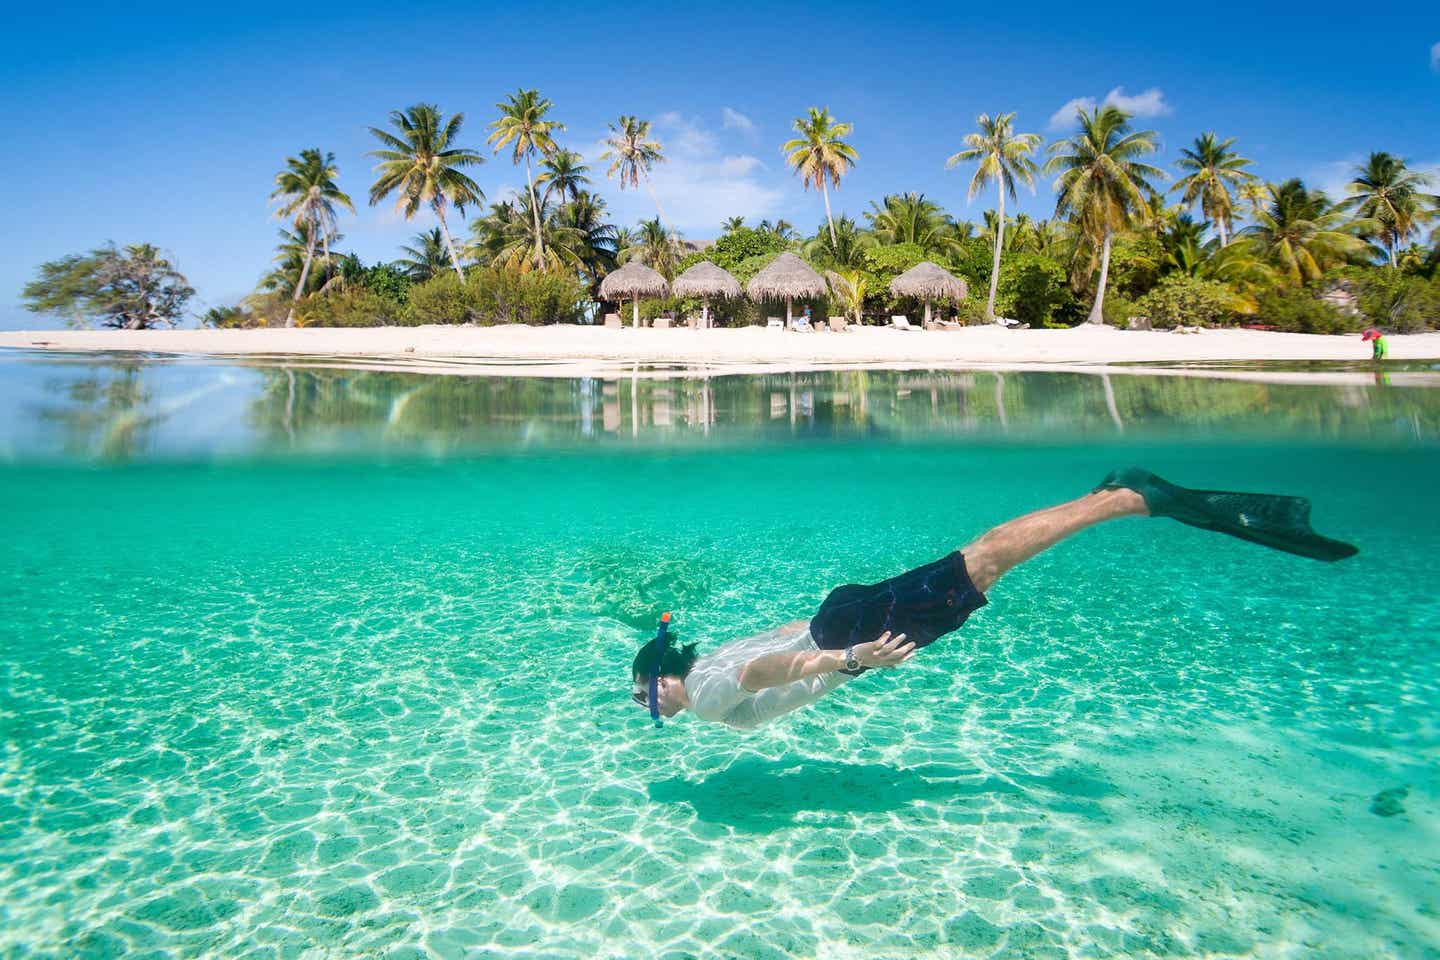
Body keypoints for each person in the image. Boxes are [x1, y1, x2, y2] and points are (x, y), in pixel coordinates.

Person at [630, 468, 1357, 730]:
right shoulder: (705, 662)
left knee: (980, 564)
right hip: (834, 616)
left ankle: (1132, 497)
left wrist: (851, 659)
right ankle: (1111, 495)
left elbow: (767, 672)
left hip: (846, 634)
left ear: (663, 677)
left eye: (644, 696)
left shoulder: (711, 692)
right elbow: (776, 638)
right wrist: (835, 635)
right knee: (977, 562)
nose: (651, 707)